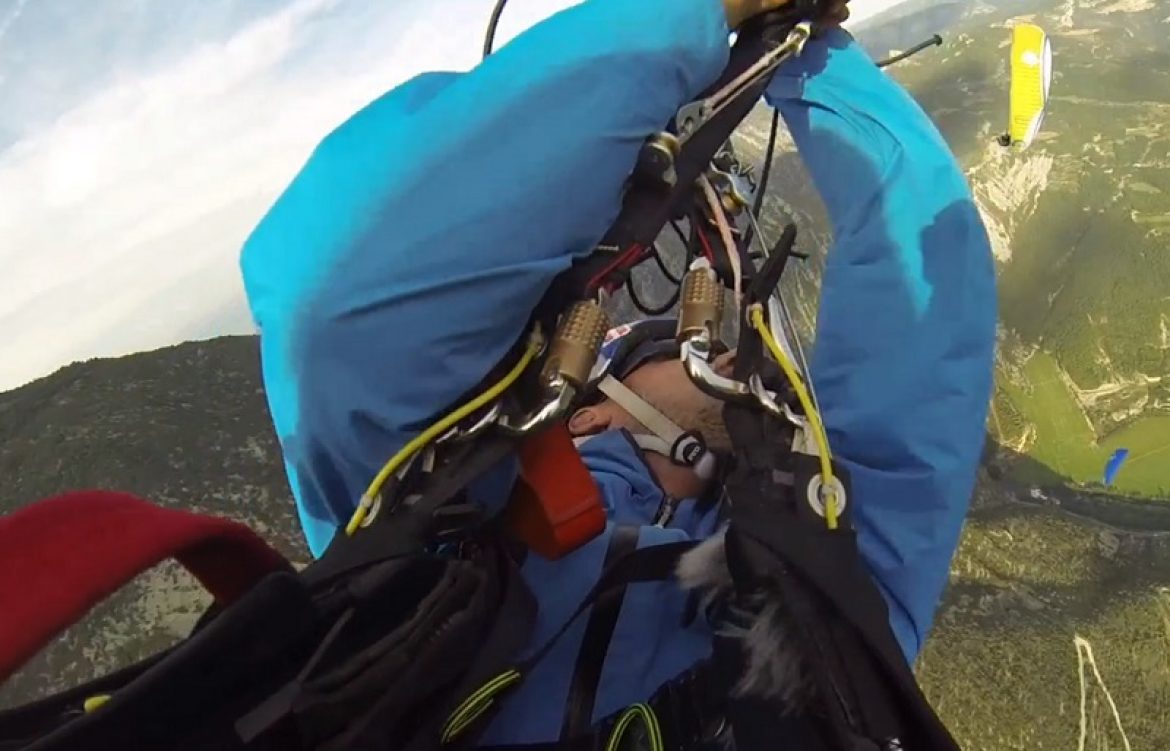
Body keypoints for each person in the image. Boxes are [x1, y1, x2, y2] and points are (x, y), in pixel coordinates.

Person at [239, 0, 996, 745]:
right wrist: (719, 25)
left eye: (665, 348)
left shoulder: (808, 556)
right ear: (588, 417)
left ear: (591, 412)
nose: (724, 358)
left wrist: (794, 45)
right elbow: (928, 274)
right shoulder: (440, 533)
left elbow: (344, 303)